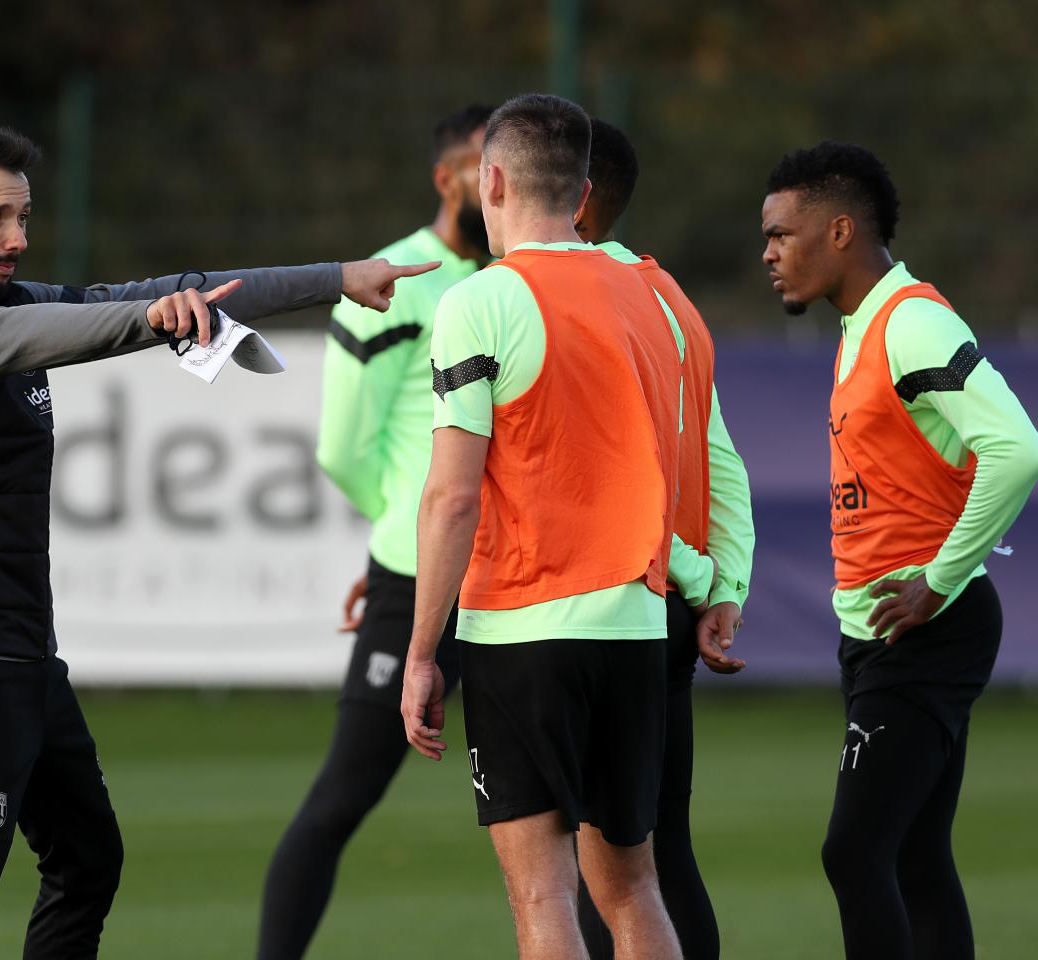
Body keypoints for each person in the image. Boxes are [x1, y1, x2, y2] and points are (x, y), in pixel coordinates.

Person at [0, 123, 439, 960]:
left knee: (88, 861)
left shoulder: (4, 304)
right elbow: (70, 332)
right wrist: (150, 321)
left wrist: (340, 279)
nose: (18, 237)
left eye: (23, 216)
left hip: (19, 648)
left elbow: (174, 288)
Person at [401, 93, 700, 960]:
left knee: (544, 899)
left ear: (490, 180)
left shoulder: (481, 301)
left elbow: (452, 498)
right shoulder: (651, 297)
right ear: (580, 191)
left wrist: (424, 652)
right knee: (636, 891)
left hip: (525, 628)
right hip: (637, 623)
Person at [760, 140, 1038, 959]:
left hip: (926, 632)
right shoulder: (863, 327)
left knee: (853, 853)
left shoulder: (911, 321)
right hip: (884, 633)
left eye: (781, 233)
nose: (767, 254)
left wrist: (938, 582)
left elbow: (1018, 447)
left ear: (840, 231)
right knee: (915, 859)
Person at [255, 104, 493, 960]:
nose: (494, 184)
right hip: (418, 572)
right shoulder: (395, 284)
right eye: (479, 167)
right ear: (447, 178)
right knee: (340, 800)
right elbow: (342, 447)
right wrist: (406, 529)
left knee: (566, 821)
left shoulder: (526, 285)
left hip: (513, 581)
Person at [573, 117, 755, 960]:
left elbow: (611, 478)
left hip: (597, 605)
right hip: (671, 608)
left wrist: (682, 565)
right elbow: (719, 454)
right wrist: (721, 586)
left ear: (568, 197)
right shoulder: (668, 296)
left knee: (595, 869)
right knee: (661, 853)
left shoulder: (557, 298)